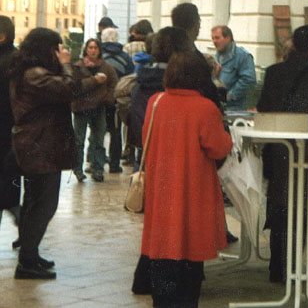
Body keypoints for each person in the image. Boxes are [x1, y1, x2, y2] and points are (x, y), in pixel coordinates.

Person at [140, 51, 232, 306]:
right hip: (193, 191)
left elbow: (146, 138)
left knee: (162, 254)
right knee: (190, 257)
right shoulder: (205, 108)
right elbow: (219, 148)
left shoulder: (155, 102)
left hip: (161, 190)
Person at [257, 25, 308, 282]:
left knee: (279, 204)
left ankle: (277, 265)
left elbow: (263, 108)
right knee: (300, 208)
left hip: (278, 149)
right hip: (306, 151)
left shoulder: (274, 72)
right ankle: (290, 265)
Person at [9, 28, 80, 279]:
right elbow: (69, 88)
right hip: (40, 148)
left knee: (33, 202)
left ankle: (30, 255)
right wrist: (66, 66)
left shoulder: (29, 71)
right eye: (55, 48)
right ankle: (26, 262)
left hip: (37, 146)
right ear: (45, 48)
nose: (58, 53)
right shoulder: (36, 75)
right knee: (44, 204)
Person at [71, 39, 118, 182]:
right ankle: (78, 169)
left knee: (99, 139)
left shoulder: (106, 67)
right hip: (81, 107)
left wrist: (107, 98)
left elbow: (114, 84)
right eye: (90, 47)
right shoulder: (78, 67)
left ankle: (98, 169)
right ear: (86, 49)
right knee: (79, 140)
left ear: (99, 50)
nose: (93, 50)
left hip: (99, 106)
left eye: (95, 48)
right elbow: (74, 86)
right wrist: (94, 81)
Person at [100, 27, 134, 174]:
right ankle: (115, 164)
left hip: (100, 98)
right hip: (119, 99)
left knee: (98, 131)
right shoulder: (125, 57)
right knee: (116, 131)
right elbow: (130, 77)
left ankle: (98, 162)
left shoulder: (99, 56)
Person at [0, 16, 20, 248]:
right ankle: (25, 232)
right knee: (11, 183)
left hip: (6, 130)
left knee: (8, 183)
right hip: (12, 131)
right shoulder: (16, 59)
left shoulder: (9, 60)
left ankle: (23, 223)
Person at [212, 25, 256, 110]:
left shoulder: (242, 56)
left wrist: (229, 96)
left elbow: (249, 79)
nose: (214, 41)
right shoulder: (217, 56)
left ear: (228, 38)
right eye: (213, 38)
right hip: (218, 107)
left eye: (217, 38)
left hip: (235, 109)